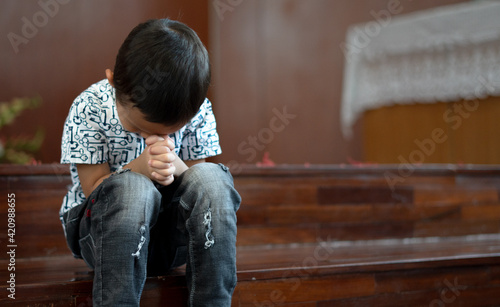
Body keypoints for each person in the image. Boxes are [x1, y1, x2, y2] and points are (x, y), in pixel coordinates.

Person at [59, 18, 241, 307]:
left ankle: (214, 302)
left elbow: (196, 179)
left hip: (172, 240)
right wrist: (140, 168)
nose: (153, 139)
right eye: (138, 128)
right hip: (103, 238)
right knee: (134, 189)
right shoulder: (89, 107)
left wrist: (175, 166)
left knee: (211, 179)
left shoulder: (199, 109)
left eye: (169, 131)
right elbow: (93, 188)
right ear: (113, 82)